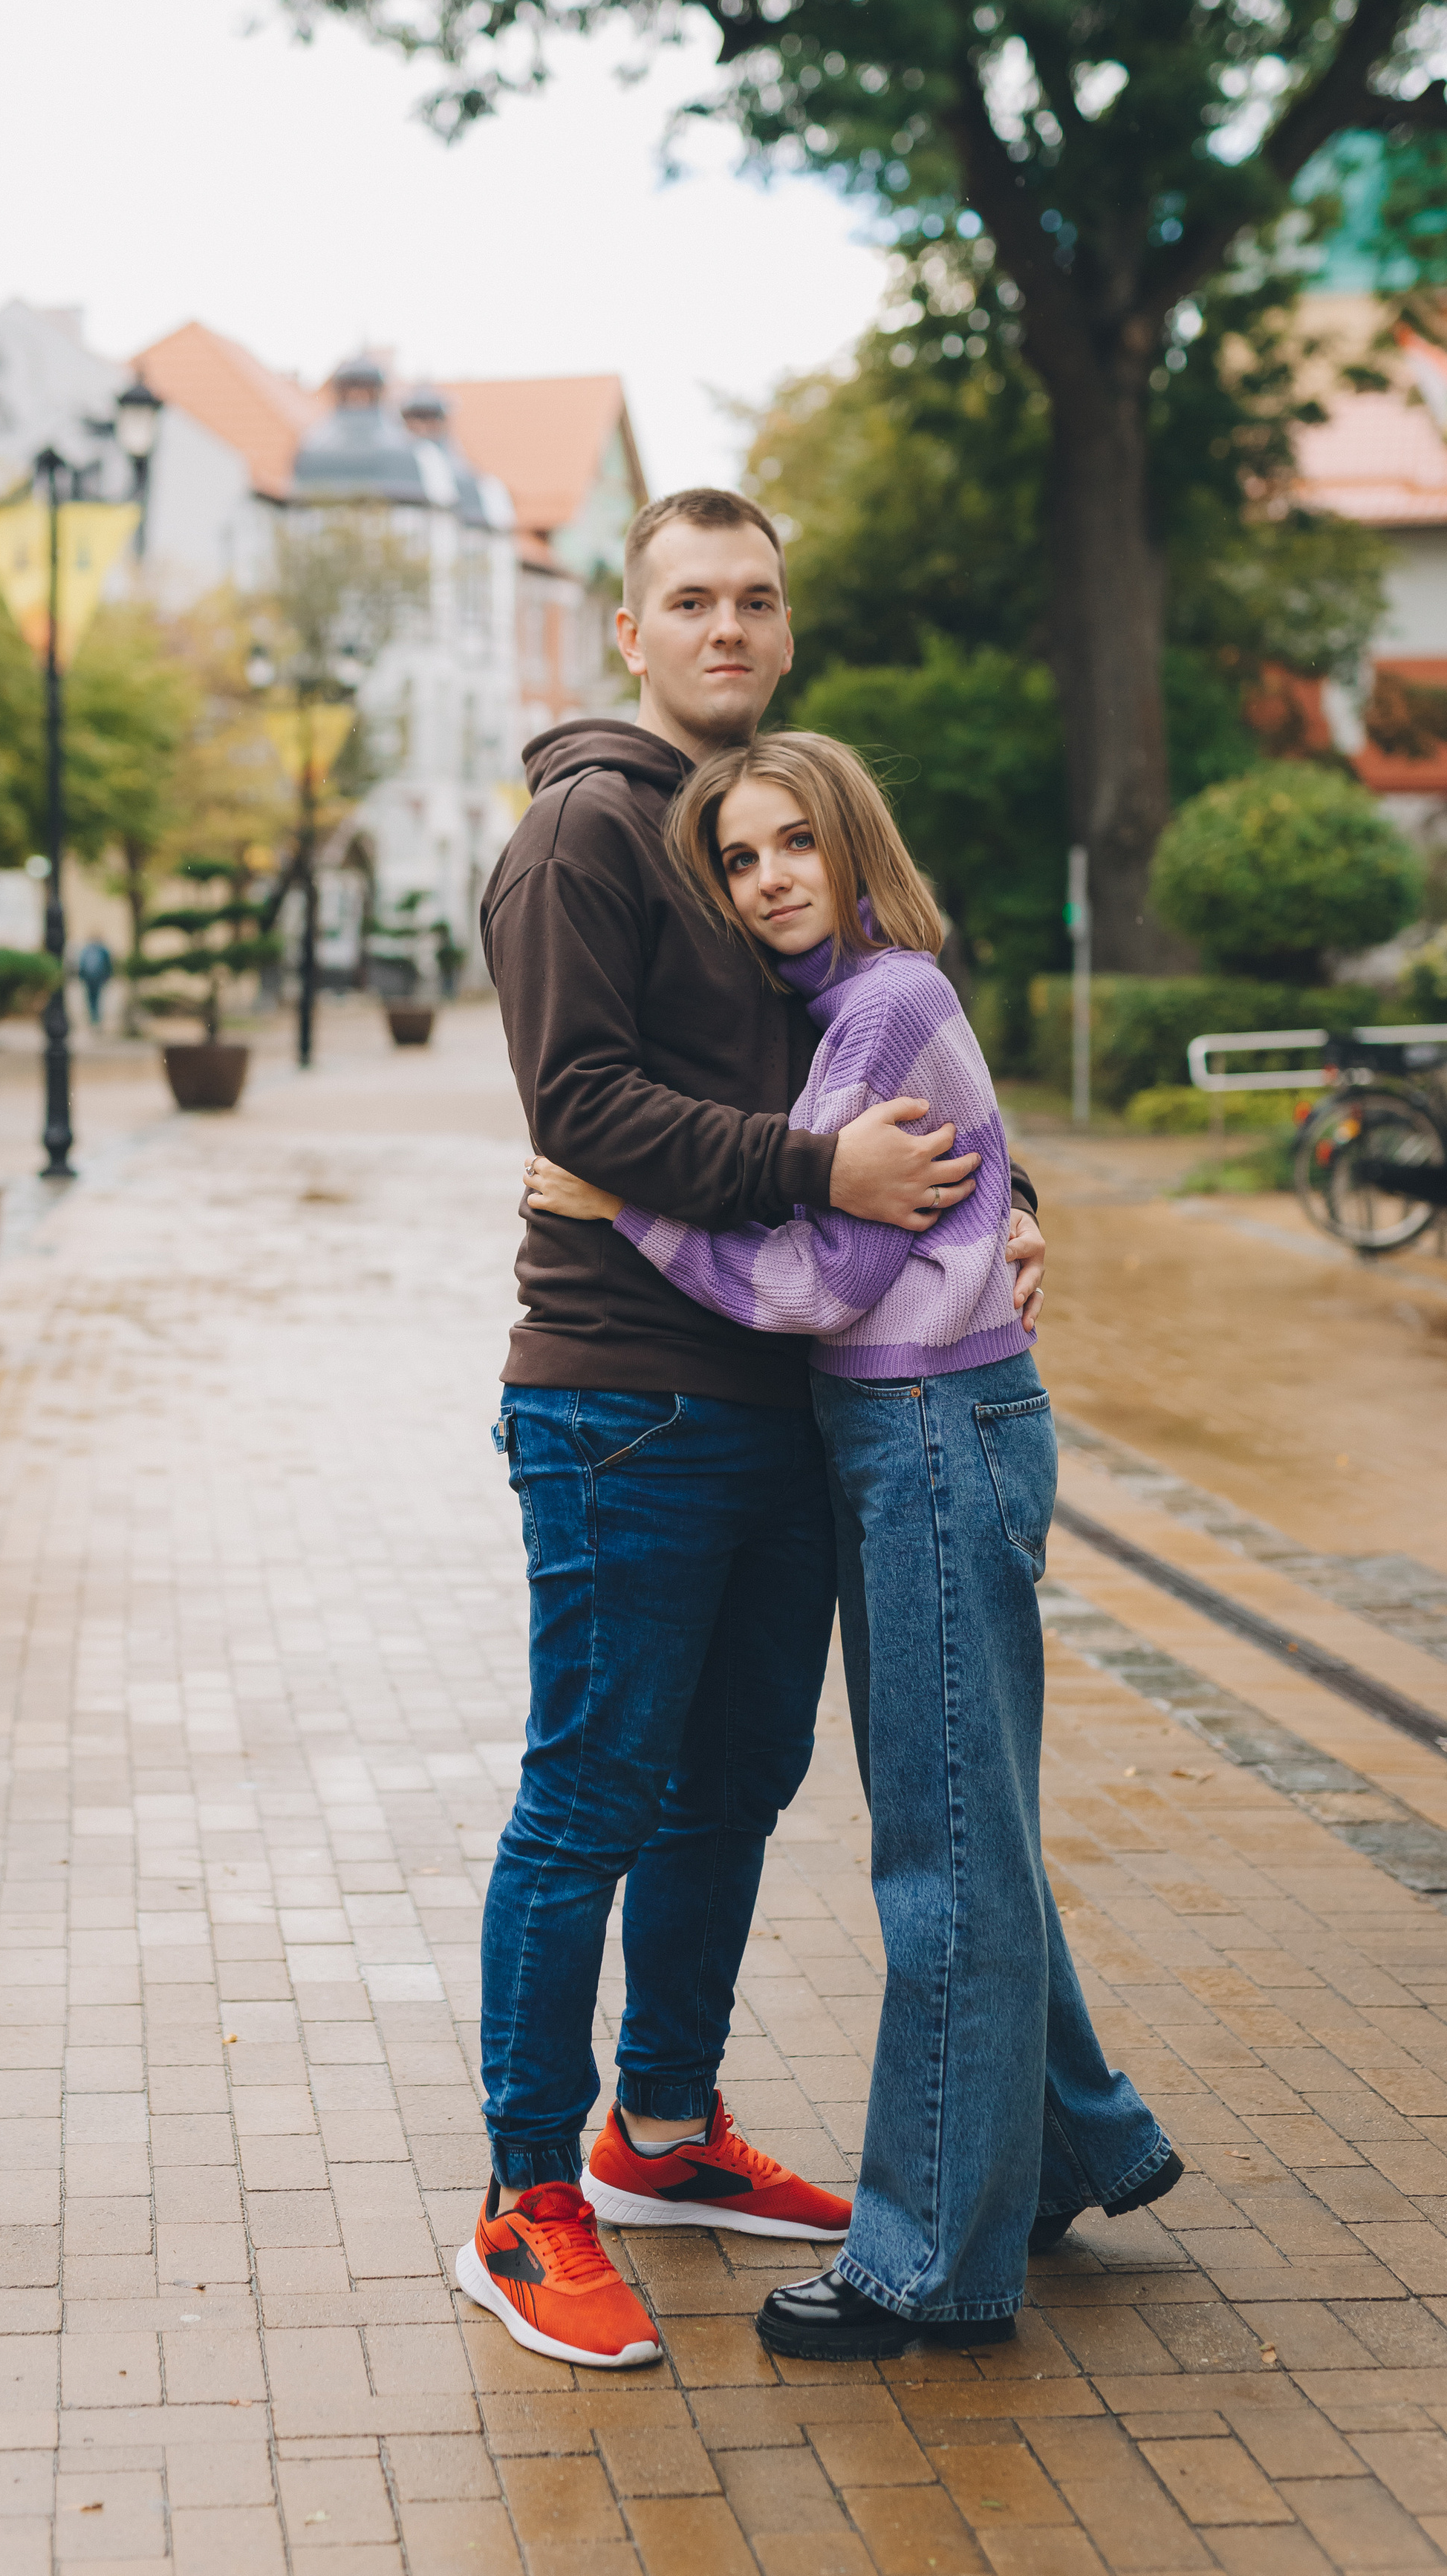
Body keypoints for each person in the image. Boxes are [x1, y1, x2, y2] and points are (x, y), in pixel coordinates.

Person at [458, 487, 1048, 2373]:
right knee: (589, 1793)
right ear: (625, 632)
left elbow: (896, 1061)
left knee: (733, 1787)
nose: (724, 625)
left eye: (755, 598)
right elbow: (583, 1104)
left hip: (783, 1398)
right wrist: (818, 1167)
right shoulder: (580, 834)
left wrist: (1005, 1207)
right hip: (621, 1398)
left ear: (784, 634)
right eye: (687, 599)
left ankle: (663, 2129)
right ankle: (525, 2199)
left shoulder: (747, 841)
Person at [526, 727, 1180, 2362]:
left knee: (941, 1850)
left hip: (930, 1434)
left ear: (852, 841)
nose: (767, 882)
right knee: (961, 1824)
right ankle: (1075, 2136)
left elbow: (818, 1278)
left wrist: (629, 1208)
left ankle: (930, 2266)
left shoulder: (875, 1003)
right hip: (915, 1432)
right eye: (739, 861)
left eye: (792, 845)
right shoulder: (848, 1003)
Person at [76, 938, 113, 1028]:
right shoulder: (102, 950)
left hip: (90, 978)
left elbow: (81, 964)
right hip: (97, 978)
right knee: (96, 998)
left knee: (91, 998)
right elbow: (108, 964)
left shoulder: (87, 950)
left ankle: (93, 1019)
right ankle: (96, 1019)